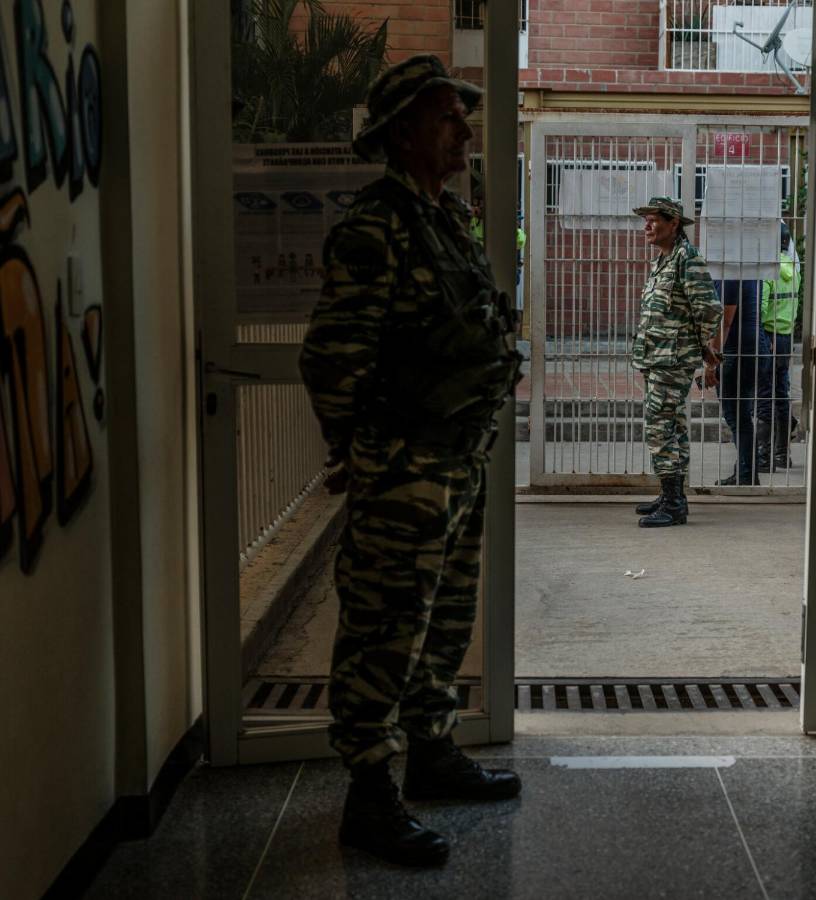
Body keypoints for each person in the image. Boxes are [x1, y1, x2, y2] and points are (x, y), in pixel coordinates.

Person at [299, 56, 524, 868]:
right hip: (406, 466)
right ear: (403, 133)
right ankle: (368, 792)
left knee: (443, 619)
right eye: (447, 117)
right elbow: (333, 357)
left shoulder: (444, 218)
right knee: (384, 626)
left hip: (458, 459)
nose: (464, 130)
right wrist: (362, 453)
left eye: (463, 117)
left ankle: (431, 754)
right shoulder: (374, 226)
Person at [630, 196, 723, 527]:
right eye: (646, 220)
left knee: (659, 427)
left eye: (654, 220)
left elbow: (710, 309)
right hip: (658, 358)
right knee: (674, 428)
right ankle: (672, 496)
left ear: (673, 224)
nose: (647, 225)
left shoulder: (687, 259)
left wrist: (707, 352)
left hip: (673, 359)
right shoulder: (663, 259)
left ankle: (673, 504)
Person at [712, 278, 773, 486]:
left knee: (736, 416)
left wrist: (711, 360)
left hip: (737, 351)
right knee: (742, 415)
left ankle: (746, 475)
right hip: (753, 346)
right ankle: (747, 471)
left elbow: (726, 320)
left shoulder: (730, 273)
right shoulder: (752, 272)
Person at [757, 222, 800, 470]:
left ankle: (763, 455)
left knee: (763, 392)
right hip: (786, 336)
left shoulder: (769, 270)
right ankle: (782, 454)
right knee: (781, 394)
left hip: (768, 335)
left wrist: (760, 335)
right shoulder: (795, 269)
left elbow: (761, 308)